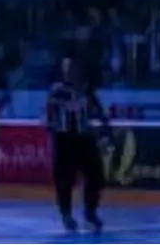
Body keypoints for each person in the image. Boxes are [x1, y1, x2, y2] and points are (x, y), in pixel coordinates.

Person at [46, 55, 110, 233]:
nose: (68, 71)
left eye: (72, 67)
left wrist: (105, 128)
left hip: (84, 136)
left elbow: (98, 110)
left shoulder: (86, 89)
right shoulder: (57, 90)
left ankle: (90, 212)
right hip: (64, 138)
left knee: (96, 175)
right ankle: (66, 214)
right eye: (65, 68)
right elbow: (48, 115)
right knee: (64, 179)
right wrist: (51, 129)